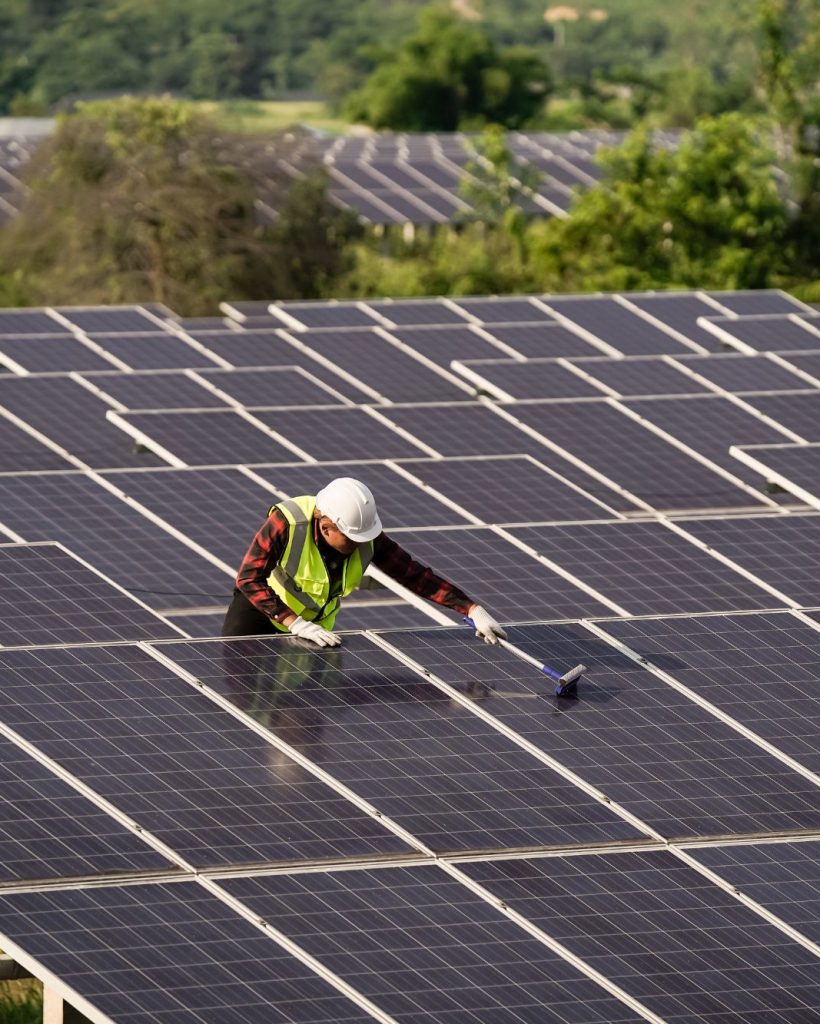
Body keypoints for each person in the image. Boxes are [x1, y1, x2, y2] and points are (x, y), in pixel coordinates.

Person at [222, 476, 507, 647]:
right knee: (246, 699)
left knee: (305, 707)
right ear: (326, 526)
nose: (358, 545)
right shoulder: (287, 523)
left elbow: (414, 575)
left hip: (315, 629)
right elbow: (249, 578)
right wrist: (293, 622)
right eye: (350, 539)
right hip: (259, 616)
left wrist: (470, 608)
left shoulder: (365, 536)